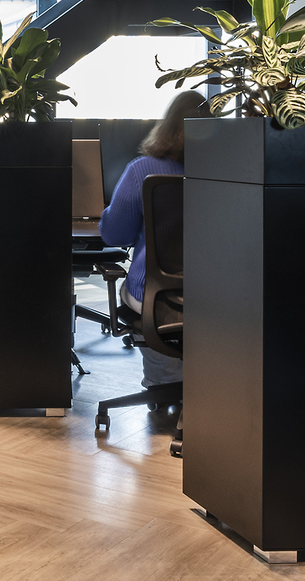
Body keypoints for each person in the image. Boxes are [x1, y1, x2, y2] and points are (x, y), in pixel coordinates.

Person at [100, 89, 209, 390]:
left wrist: (111, 209)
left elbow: (114, 234)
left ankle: (164, 383)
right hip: (219, 297)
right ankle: (202, 386)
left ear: (168, 127)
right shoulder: (230, 173)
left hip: (155, 296)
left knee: (142, 291)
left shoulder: (142, 171)